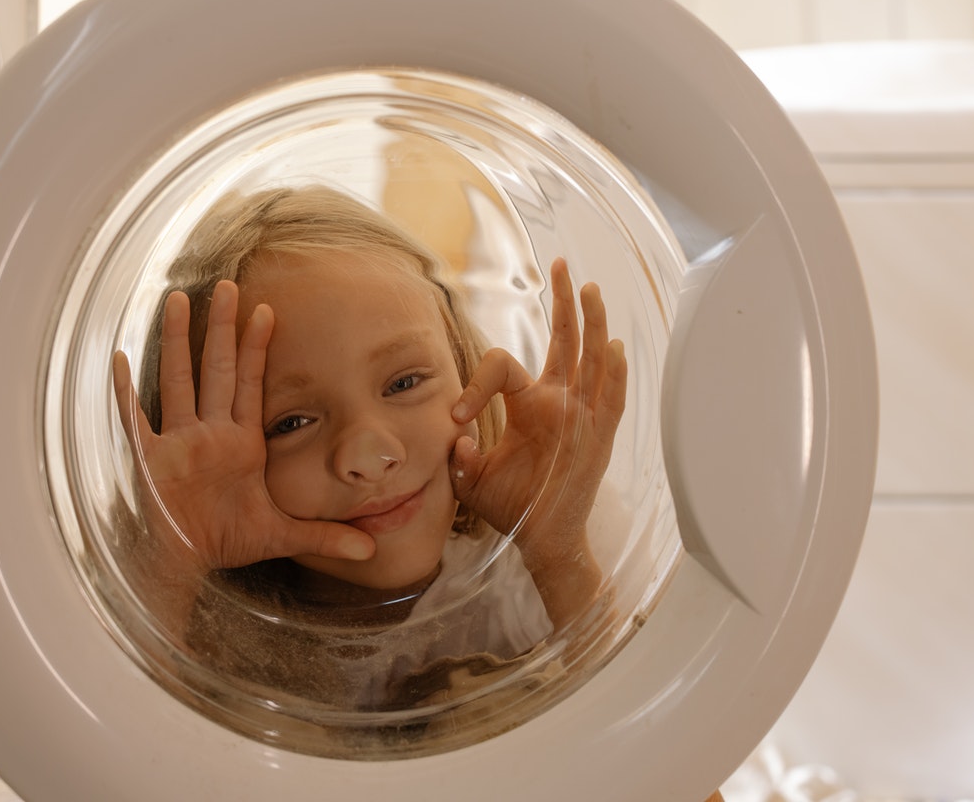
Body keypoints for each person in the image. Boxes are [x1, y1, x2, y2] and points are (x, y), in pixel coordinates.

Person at [111, 181, 627, 691]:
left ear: (461, 362)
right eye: (290, 424)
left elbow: (654, 736)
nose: (370, 457)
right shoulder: (204, 628)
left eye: (403, 383)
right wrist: (169, 564)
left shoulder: (536, 551)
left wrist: (559, 557)